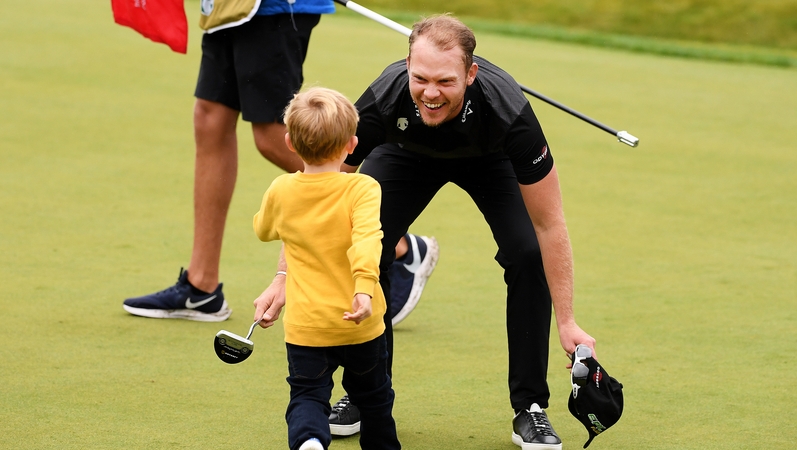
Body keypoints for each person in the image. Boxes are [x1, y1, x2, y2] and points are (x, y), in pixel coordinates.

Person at [258, 14, 597, 450]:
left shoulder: (510, 113)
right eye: (420, 78)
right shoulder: (385, 97)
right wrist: (283, 276)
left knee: (527, 252)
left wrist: (567, 320)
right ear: (406, 65)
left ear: (471, 74)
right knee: (366, 243)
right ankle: (365, 393)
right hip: (405, 154)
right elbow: (315, 194)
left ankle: (530, 407)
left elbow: (550, 224)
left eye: (445, 81)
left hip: (488, 160)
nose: (430, 93)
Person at [121, 0, 438, 325]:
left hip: (273, 7)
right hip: (227, 8)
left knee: (274, 134)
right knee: (211, 116)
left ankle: (397, 246)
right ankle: (201, 287)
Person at [253, 87, 401, 450]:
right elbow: (368, 240)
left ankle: (309, 443)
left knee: (307, 396)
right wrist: (364, 289)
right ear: (352, 144)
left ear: (289, 142)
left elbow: (263, 229)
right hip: (361, 322)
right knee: (375, 399)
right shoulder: (363, 188)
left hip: (307, 326)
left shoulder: (281, 189)